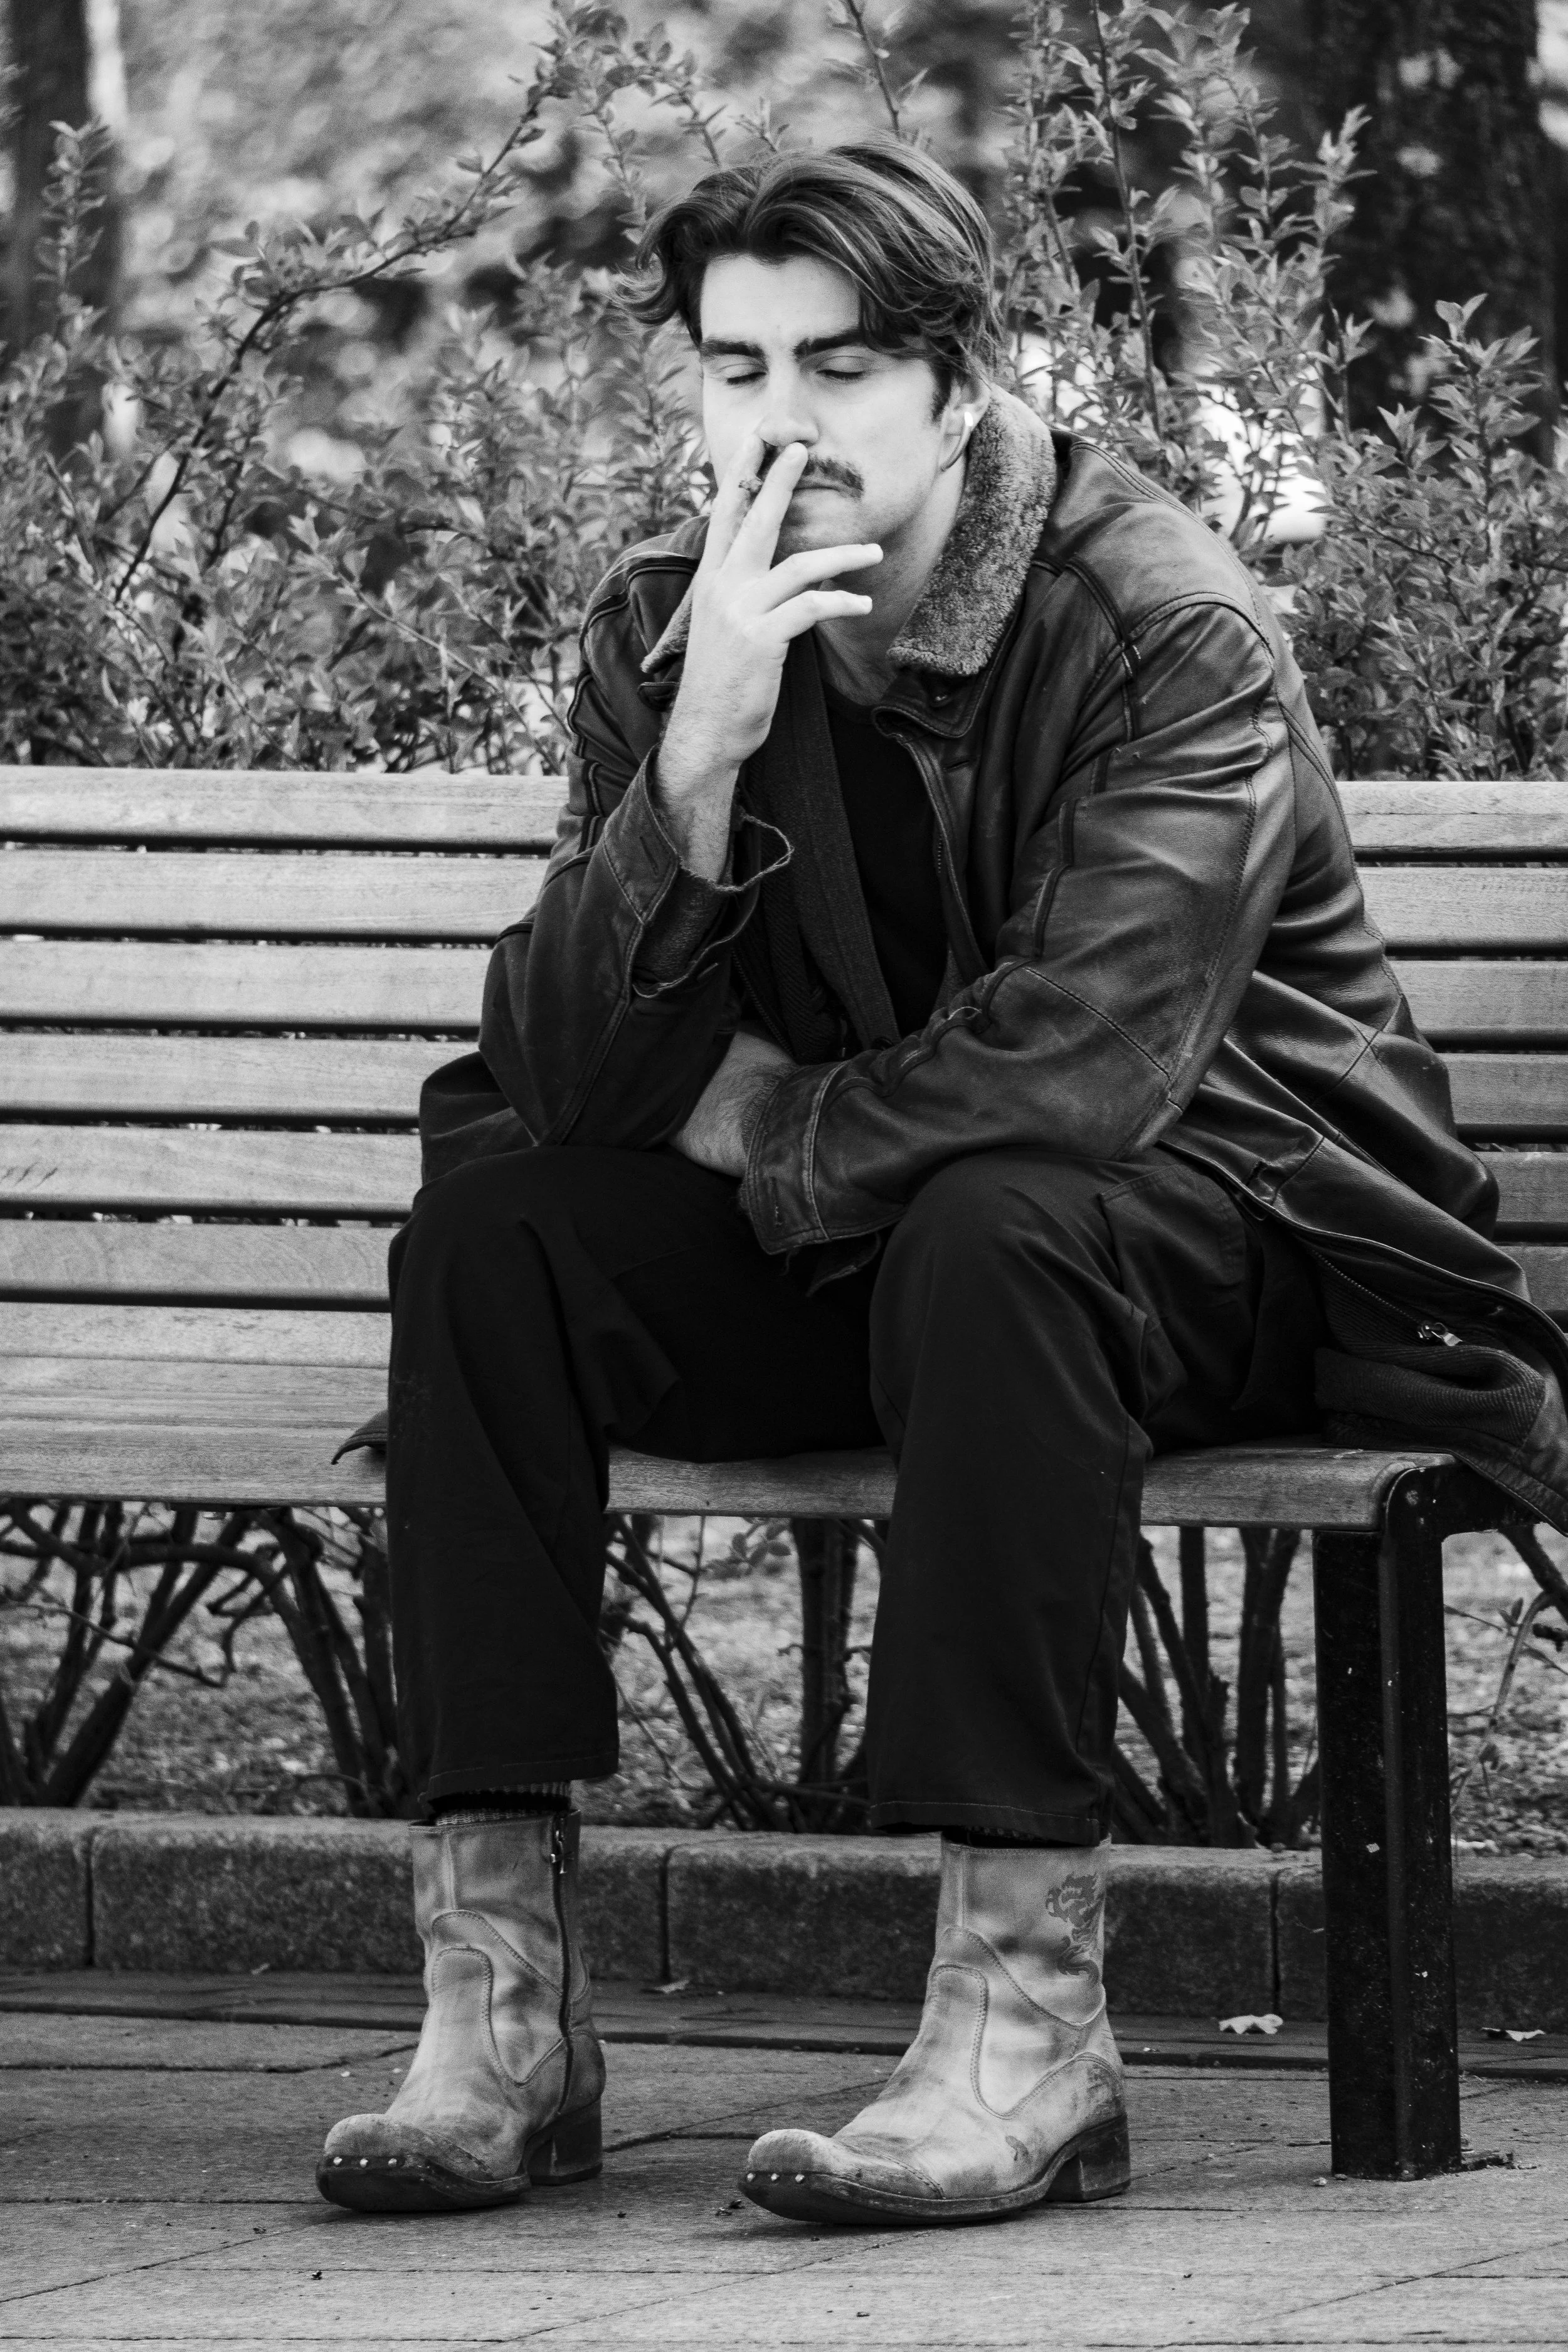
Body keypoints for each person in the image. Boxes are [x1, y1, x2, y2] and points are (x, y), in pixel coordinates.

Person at [319, 142, 1568, 2225]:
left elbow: (1085, 1073)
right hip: (907, 1244)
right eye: (734, 370)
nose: (778, 422)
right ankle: (501, 2016)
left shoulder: (1159, 624)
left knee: (1001, 1220)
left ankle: (1022, 2037)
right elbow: (561, 1068)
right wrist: (699, 748)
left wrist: (752, 1121)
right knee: (495, 1238)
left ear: (958, 380)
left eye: (836, 367)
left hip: (1233, 1222)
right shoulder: (670, 624)